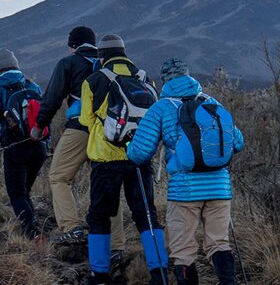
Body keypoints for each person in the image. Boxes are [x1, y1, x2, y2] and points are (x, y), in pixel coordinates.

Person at [128, 58, 244, 285]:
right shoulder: (212, 103)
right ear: (188, 76)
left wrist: (127, 147)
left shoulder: (161, 108)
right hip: (219, 187)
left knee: (184, 250)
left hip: (185, 190)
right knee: (219, 242)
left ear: (165, 80)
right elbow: (237, 142)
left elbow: (140, 153)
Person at [30, 26, 126, 260]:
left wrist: (39, 126)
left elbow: (52, 98)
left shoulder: (69, 62)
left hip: (80, 129)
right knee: (107, 186)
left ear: (73, 45)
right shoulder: (108, 62)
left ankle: (71, 227)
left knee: (59, 176)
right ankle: (116, 245)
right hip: (109, 132)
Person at [80, 34, 168, 285]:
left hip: (106, 160)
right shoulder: (145, 79)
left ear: (101, 56)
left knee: (99, 215)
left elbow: (87, 120)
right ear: (124, 52)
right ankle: (159, 272)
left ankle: (99, 275)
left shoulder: (94, 80)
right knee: (147, 214)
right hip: (139, 158)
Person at [0, 49, 48, 239]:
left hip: (15, 147)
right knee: (24, 192)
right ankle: (32, 227)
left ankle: (33, 234)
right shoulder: (33, 86)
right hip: (39, 146)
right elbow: (46, 113)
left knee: (17, 194)